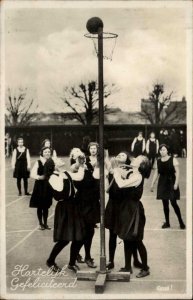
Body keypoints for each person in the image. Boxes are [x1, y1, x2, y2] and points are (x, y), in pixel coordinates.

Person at [106, 154, 151, 278]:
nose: (134, 159)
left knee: (137, 241)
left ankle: (145, 268)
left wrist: (115, 169)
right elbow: (124, 174)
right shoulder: (133, 172)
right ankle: (127, 267)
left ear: (141, 165)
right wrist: (115, 167)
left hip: (134, 210)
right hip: (128, 208)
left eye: (137, 159)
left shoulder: (137, 176)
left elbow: (120, 184)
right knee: (127, 239)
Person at [46, 157, 86, 273]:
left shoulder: (64, 173)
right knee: (64, 239)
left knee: (79, 237)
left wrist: (81, 165)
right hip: (64, 208)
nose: (59, 159)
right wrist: (61, 174)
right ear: (53, 165)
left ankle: (72, 263)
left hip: (73, 206)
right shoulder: (53, 177)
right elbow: (60, 188)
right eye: (56, 159)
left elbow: (79, 177)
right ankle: (50, 260)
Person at [70, 145, 100, 268]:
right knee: (83, 232)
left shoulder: (87, 164)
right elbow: (75, 168)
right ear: (72, 158)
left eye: (80, 153)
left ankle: (87, 256)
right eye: (75, 154)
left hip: (92, 201)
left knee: (90, 231)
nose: (79, 155)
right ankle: (75, 258)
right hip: (82, 203)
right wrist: (79, 164)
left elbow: (96, 179)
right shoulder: (74, 168)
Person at [150, 144, 185, 229]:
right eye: (161, 150)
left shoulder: (173, 160)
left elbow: (177, 173)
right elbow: (156, 173)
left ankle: (181, 222)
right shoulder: (158, 161)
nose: (162, 151)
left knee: (173, 203)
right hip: (162, 183)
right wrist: (152, 184)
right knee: (165, 204)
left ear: (167, 151)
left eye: (164, 150)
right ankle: (167, 223)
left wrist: (176, 183)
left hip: (171, 182)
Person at [29, 147, 54, 230]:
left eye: (48, 152)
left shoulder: (51, 162)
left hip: (48, 186)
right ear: (42, 153)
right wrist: (39, 177)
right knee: (40, 206)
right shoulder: (38, 162)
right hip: (39, 186)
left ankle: (46, 223)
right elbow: (32, 174)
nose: (47, 153)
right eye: (45, 152)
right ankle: (40, 223)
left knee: (46, 206)